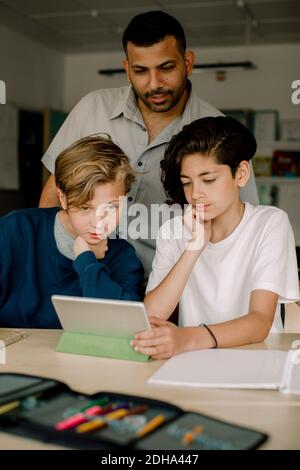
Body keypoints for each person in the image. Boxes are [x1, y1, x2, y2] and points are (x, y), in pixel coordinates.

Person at [39, 10, 258, 277]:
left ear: (188, 62)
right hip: (82, 275)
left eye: (166, 68)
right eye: (141, 71)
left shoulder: (218, 133)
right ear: (126, 68)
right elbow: (54, 194)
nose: (154, 84)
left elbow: (240, 224)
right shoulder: (92, 108)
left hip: (171, 290)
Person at [131, 117, 299, 359]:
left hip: (257, 360)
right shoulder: (174, 230)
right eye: (187, 183)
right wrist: (193, 248)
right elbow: (150, 317)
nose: (196, 194)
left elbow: (260, 321)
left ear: (241, 174)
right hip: (195, 361)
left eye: (208, 180)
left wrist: (186, 339)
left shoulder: (270, 223)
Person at [0, 135, 144, 329]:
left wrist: (87, 261)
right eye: (85, 208)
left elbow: (122, 329)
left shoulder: (123, 258)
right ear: (63, 198)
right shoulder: (15, 230)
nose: (99, 223)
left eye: (111, 208)